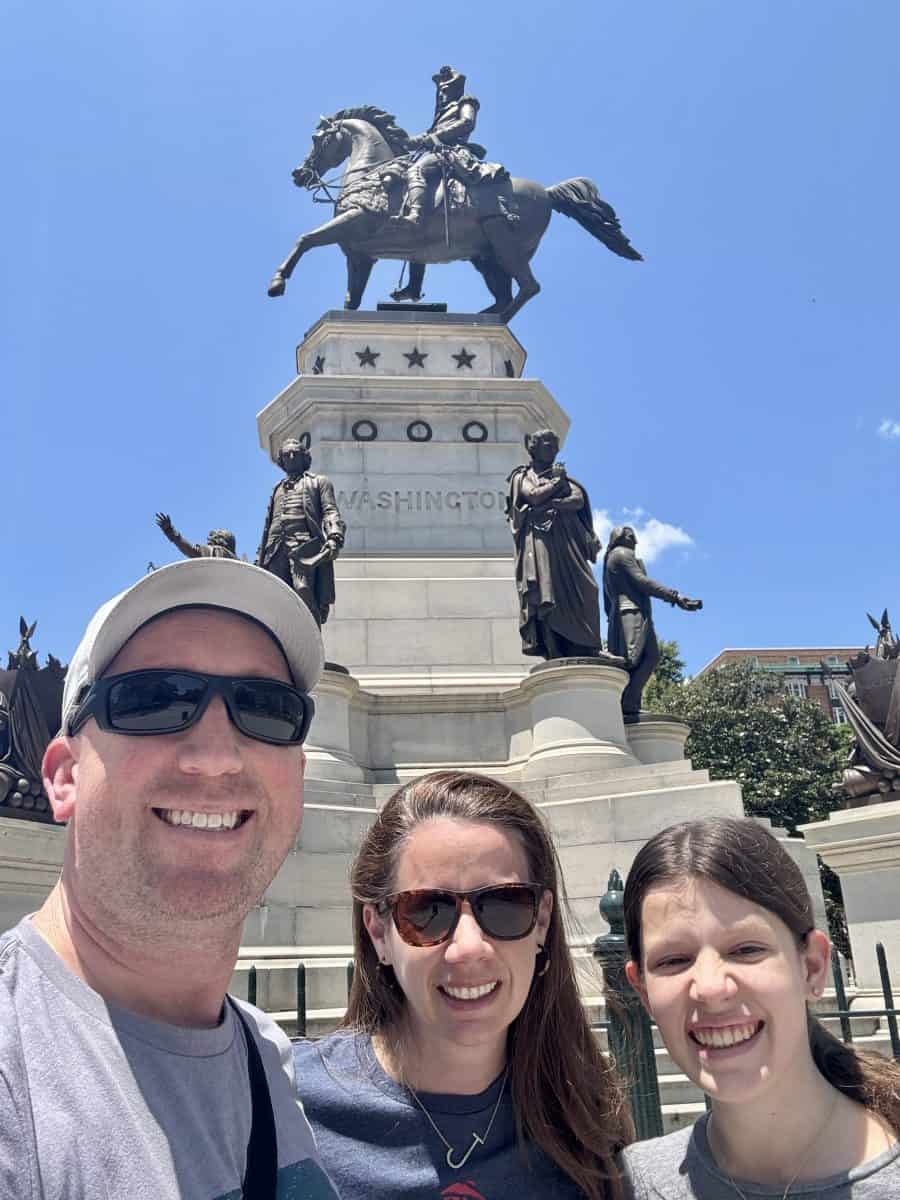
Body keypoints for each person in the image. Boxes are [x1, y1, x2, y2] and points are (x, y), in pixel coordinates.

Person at [0, 556, 340, 1199]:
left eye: (265, 709)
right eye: (155, 700)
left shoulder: (267, 1057)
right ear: (63, 777)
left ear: (296, 777)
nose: (215, 755)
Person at [294, 769, 632, 1199]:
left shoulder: (587, 1119)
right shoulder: (290, 1107)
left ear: (542, 921)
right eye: (427, 910)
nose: (469, 948)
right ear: (379, 932)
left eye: (506, 905)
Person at [619, 816, 900, 1198]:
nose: (711, 988)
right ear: (644, 993)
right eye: (673, 961)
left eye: (746, 949)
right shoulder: (631, 1185)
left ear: (813, 967)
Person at [506, 428, 604, 659]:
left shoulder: (561, 476)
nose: (552, 450)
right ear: (533, 448)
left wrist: (553, 501)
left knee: (588, 588)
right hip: (540, 541)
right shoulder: (522, 476)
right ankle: (554, 649)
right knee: (545, 592)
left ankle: (589, 646)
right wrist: (556, 485)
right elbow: (533, 496)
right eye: (546, 445)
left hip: (566, 543)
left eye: (554, 445)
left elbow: (578, 499)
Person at [390, 65, 509, 235]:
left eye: (445, 89)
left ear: (455, 88)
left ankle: (416, 215)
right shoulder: (441, 112)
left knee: (416, 170)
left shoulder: (466, 101)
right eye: (440, 90)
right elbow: (427, 135)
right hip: (434, 150)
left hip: (451, 151)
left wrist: (437, 136)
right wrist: (406, 142)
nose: (441, 93)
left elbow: (467, 123)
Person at [603, 526, 701, 718]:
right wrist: (675, 597)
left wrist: (612, 617)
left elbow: (607, 599)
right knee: (633, 659)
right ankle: (622, 699)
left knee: (649, 657)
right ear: (623, 538)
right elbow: (642, 581)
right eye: (631, 536)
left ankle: (629, 703)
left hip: (626, 613)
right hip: (630, 612)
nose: (635, 541)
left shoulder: (612, 557)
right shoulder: (622, 553)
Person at [257, 436, 346, 628]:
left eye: (295, 453)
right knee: (276, 602)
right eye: (286, 454)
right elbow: (269, 525)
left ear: (304, 458)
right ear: (280, 459)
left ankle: (314, 648)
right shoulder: (276, 489)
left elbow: (330, 511)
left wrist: (334, 536)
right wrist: (261, 557)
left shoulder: (319, 482)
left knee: (303, 591)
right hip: (275, 551)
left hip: (304, 548)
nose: (290, 457)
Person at [155, 510, 238, 559]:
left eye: (212, 538)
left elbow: (190, 550)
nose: (209, 540)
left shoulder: (215, 551)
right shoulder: (239, 563)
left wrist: (170, 531)